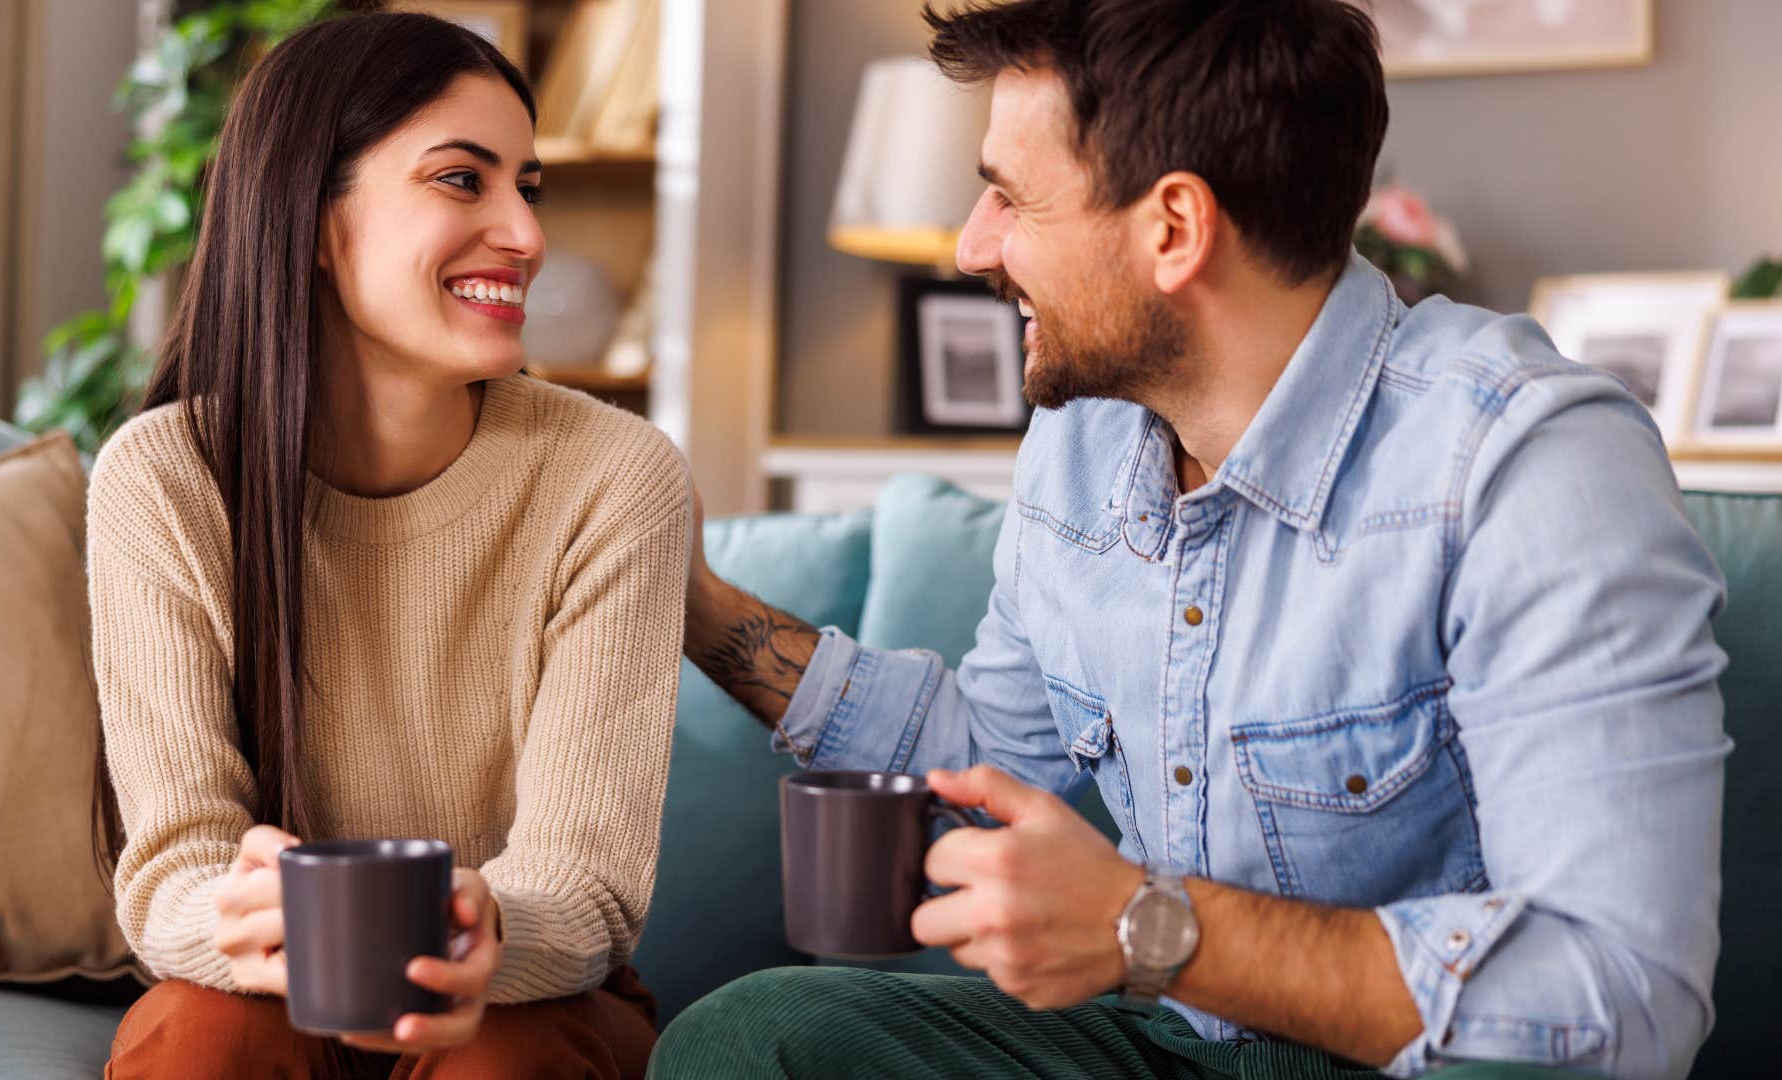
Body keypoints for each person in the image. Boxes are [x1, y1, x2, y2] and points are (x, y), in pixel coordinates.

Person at [658, 1, 1728, 1077]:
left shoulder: (1525, 466)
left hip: (1415, 1063)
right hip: (1167, 1043)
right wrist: (697, 606)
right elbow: (981, 758)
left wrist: (1148, 926)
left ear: (1174, 227)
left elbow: (1620, 999)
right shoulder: (1081, 444)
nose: (971, 244)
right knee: (756, 1038)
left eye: (1009, 196)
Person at [87, 12, 689, 1078]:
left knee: (504, 1059)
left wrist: (476, 931)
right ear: (314, 217)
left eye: (529, 186)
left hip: (517, 989)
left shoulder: (616, 475)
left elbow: (585, 884)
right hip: (259, 987)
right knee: (210, 1041)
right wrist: (258, 919)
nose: (527, 234)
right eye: (464, 179)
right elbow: (175, 868)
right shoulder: (165, 477)